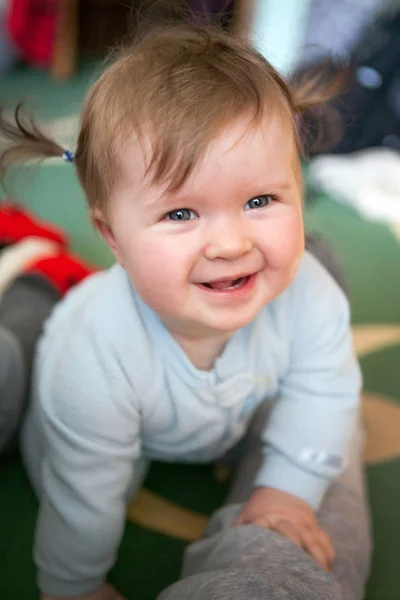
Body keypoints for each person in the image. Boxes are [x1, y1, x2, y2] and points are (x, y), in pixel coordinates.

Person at [0, 22, 371, 600]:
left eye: (260, 200)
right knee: (77, 479)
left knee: (329, 417)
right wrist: (73, 584)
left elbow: (325, 394)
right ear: (112, 238)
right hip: (96, 428)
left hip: (230, 409)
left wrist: (288, 487)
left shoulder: (311, 296)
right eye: (180, 214)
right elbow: (84, 493)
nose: (229, 244)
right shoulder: (94, 352)